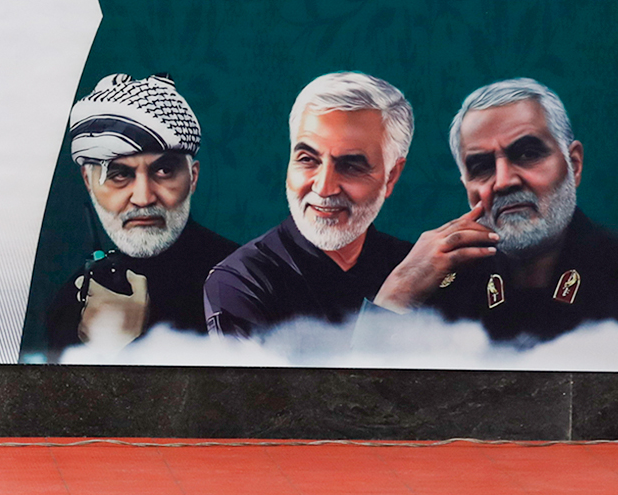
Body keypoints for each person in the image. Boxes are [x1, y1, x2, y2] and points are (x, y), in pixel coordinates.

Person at [375, 78, 618, 340]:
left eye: (528, 154)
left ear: (573, 165)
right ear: (467, 187)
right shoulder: (437, 294)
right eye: (482, 167)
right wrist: (396, 294)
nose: (504, 182)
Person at [204, 72, 415, 340]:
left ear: (391, 176)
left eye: (350, 166)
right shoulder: (242, 281)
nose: (324, 188)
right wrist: (392, 303)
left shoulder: (418, 266)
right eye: (307, 159)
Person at [44, 74, 236, 356]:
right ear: (88, 181)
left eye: (164, 171)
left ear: (193, 178)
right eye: (119, 174)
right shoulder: (70, 306)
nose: (143, 198)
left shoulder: (250, 282)